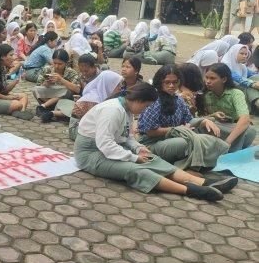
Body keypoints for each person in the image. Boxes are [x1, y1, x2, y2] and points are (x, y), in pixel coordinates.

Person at [75, 82, 236, 201]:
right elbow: (105, 144)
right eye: (145, 107)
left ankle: (202, 182)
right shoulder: (112, 110)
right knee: (135, 169)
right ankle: (189, 190)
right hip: (91, 154)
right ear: (138, 100)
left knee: (151, 159)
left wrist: (138, 149)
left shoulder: (126, 109)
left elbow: (127, 137)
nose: (144, 110)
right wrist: (134, 157)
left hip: (111, 147)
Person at [138, 65, 229, 171]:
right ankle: (189, 167)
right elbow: (150, 132)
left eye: (175, 82)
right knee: (187, 142)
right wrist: (177, 129)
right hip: (152, 144)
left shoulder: (178, 99)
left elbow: (189, 119)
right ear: (160, 82)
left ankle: (201, 164)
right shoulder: (154, 101)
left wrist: (204, 121)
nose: (171, 85)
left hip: (173, 138)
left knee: (208, 138)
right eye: (167, 82)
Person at [201, 63, 257, 152]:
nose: (207, 81)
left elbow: (245, 119)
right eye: (206, 77)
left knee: (250, 130)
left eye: (212, 78)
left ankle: (225, 149)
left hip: (233, 128)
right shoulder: (205, 95)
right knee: (200, 126)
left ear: (224, 79)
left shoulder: (235, 94)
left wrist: (227, 142)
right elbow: (201, 118)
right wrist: (213, 115)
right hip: (216, 128)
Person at [68, 70, 123, 140]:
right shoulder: (92, 100)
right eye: (117, 84)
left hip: (88, 129)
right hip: (77, 131)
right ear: (108, 84)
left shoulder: (102, 95)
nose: (120, 87)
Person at [34, 49, 81, 123]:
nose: (56, 66)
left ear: (66, 63)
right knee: (36, 90)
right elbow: (38, 85)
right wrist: (46, 84)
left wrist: (61, 80)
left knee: (66, 91)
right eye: (54, 63)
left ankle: (44, 107)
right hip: (49, 96)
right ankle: (51, 109)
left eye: (60, 64)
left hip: (64, 99)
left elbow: (77, 89)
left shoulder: (72, 72)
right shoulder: (47, 69)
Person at [220, 44, 259, 113]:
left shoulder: (241, 66)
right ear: (234, 53)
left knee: (255, 77)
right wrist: (252, 84)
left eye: (246, 54)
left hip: (240, 86)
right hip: (229, 89)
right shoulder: (225, 64)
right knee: (249, 87)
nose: (244, 56)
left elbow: (253, 74)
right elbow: (235, 77)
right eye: (241, 53)